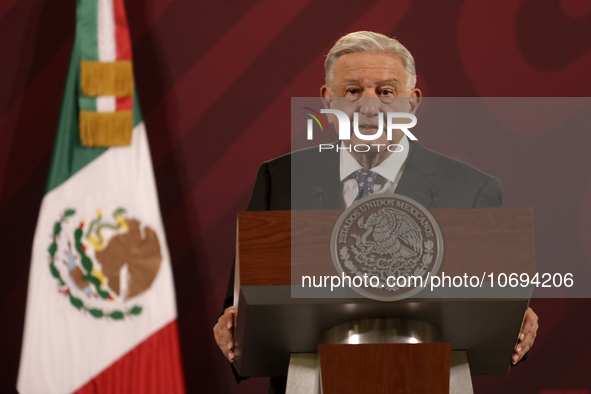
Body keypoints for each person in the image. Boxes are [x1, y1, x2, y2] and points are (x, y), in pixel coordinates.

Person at [213, 31, 539, 392]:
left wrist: (516, 320)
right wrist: (232, 323)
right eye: (353, 91)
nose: (369, 106)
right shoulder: (280, 179)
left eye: (386, 91)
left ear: (412, 104)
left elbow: (498, 307)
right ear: (327, 100)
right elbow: (241, 304)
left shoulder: (471, 189)